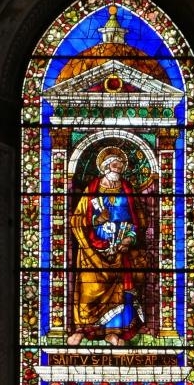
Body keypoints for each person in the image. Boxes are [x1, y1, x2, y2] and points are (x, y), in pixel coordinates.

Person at [69, 145, 151, 346]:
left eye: (121, 165)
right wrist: (96, 221)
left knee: (121, 290)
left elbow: (138, 220)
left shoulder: (127, 189)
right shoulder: (92, 189)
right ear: (105, 166)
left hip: (121, 248)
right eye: (115, 165)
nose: (119, 168)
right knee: (89, 287)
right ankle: (83, 329)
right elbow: (76, 219)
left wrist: (129, 239)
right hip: (93, 250)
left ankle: (113, 332)